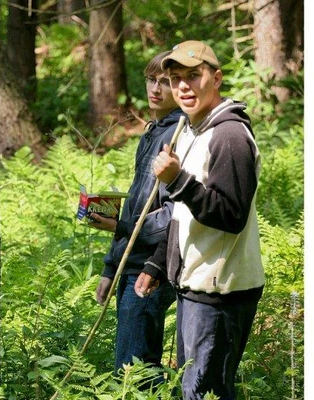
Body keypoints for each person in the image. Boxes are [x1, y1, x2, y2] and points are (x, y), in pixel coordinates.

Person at [134, 40, 265, 399]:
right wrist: (158, 264)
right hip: (195, 286)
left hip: (221, 293)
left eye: (194, 76)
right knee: (194, 390)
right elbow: (183, 215)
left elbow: (231, 215)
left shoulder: (229, 135)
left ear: (216, 78)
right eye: (176, 78)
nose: (183, 87)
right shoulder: (193, 130)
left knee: (204, 393)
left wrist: (177, 180)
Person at [88, 51, 185, 379]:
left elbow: (174, 216)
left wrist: (121, 227)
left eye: (166, 82)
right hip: (130, 264)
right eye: (151, 79)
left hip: (151, 268)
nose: (155, 88)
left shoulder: (180, 136)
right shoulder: (152, 131)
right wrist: (110, 266)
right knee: (132, 371)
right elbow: (137, 203)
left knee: (133, 376)